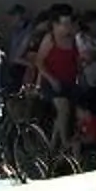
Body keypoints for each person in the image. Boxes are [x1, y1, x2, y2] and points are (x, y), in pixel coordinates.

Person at [31, 10, 84, 145]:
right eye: (64, 24)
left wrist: (80, 73)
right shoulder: (50, 39)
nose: (67, 27)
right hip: (51, 83)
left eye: (69, 23)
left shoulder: (73, 39)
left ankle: (53, 146)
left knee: (64, 116)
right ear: (56, 25)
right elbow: (39, 61)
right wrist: (51, 79)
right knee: (63, 108)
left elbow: (76, 61)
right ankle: (65, 143)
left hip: (69, 81)